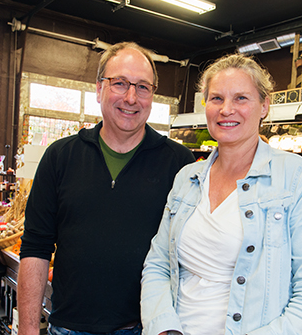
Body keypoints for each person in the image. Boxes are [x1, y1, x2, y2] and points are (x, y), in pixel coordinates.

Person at [140, 54, 302, 335]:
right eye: (217, 98)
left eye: (241, 98)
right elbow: (158, 264)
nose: (226, 109)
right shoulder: (187, 179)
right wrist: (163, 327)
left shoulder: (292, 175)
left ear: (264, 105)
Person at [18, 42, 195, 335]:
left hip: (146, 327)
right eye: (120, 83)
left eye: (142, 87)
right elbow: (35, 248)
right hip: (69, 328)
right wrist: (27, 330)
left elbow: (189, 255)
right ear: (99, 89)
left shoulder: (179, 163)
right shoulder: (60, 157)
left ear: (152, 96)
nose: (131, 97)